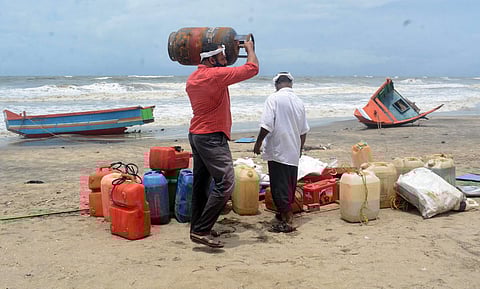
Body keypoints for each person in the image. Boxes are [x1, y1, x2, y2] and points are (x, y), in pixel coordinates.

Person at [186, 40, 259, 248]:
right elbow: (252, 68)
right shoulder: (215, 76)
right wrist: (250, 49)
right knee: (226, 182)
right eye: (222, 57)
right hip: (211, 137)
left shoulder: (194, 78)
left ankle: (198, 228)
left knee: (201, 185)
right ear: (211, 59)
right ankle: (202, 229)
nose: (226, 60)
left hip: (197, 135)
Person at [253, 72, 309, 233]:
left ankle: (288, 218)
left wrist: (258, 143)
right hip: (292, 149)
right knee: (289, 184)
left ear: (276, 84)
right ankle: (282, 213)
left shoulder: (274, 99)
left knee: (279, 185)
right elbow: (303, 131)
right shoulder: (299, 102)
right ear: (290, 84)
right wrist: (299, 148)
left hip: (278, 149)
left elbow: (267, 124)